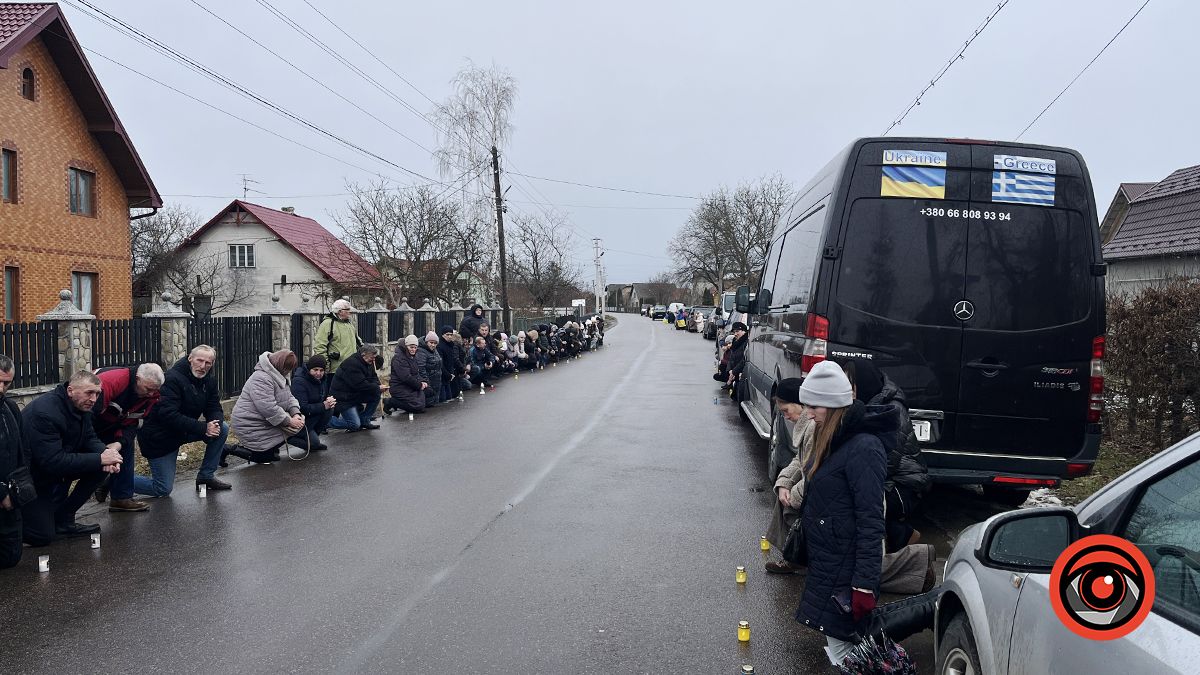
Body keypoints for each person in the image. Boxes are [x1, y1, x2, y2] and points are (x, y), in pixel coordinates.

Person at [791, 360, 892, 665]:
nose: (809, 413)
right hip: (831, 563)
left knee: (848, 653)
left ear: (834, 407)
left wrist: (863, 584)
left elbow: (871, 520)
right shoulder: (834, 440)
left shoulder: (864, 448)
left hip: (846, 571)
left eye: (816, 407)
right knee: (843, 649)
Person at [839, 358, 932, 553]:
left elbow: (886, 461)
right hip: (887, 477)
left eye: (851, 385)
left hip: (905, 485)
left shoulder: (892, 410)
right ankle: (897, 536)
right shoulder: (866, 403)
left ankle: (900, 536)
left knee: (858, 502)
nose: (849, 392)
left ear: (863, 383)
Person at [21, 371, 123, 545]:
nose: (93, 399)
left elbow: (90, 438)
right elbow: (52, 462)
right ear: (70, 390)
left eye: (97, 394)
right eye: (89, 393)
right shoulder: (45, 413)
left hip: (54, 473)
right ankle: (15, 521)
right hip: (32, 479)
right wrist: (100, 459)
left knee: (100, 468)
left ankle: (64, 519)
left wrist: (108, 455)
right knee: (42, 536)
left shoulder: (81, 407)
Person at [136, 345, 232, 495]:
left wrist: (214, 423)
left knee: (223, 427)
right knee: (162, 489)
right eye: (199, 360)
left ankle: (206, 477)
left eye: (208, 363)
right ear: (190, 359)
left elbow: (213, 407)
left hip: (184, 431)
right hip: (160, 436)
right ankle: (115, 480)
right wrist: (203, 428)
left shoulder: (209, 381)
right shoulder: (171, 379)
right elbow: (168, 415)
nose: (202, 366)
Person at [92, 362, 164, 512]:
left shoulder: (151, 394)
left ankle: (121, 498)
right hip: (90, 422)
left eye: (154, 390)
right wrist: (101, 448)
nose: (151, 394)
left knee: (126, 445)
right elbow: (88, 417)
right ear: (137, 378)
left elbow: (134, 423)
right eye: (148, 389)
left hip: (115, 423)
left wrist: (118, 443)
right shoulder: (111, 381)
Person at [763, 378, 813, 575]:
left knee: (788, 505)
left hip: (820, 491)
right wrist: (784, 482)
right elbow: (800, 461)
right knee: (781, 493)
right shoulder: (806, 423)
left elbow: (812, 473)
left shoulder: (812, 426)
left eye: (786, 411)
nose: (785, 417)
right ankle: (792, 555)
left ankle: (796, 557)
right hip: (812, 484)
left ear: (800, 403)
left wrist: (793, 495)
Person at [227, 350, 305, 463]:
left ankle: (270, 450)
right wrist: (289, 421)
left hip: (264, 421)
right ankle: (228, 449)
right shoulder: (261, 378)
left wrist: (296, 413)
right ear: (279, 364)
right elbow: (268, 407)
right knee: (262, 459)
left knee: (295, 427)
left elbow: (289, 397)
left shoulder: (279, 374)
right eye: (287, 368)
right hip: (250, 423)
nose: (288, 371)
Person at [0, 355, 28, 567]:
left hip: (11, 496)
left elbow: (22, 452)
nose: (1, 388)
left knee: (11, 558)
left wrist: (20, 489)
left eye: (6, 383)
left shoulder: (10, 408)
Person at [328, 344, 385, 430]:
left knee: (376, 393)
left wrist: (378, 386)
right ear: (363, 355)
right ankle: (326, 420)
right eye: (372, 357)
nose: (373, 360)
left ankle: (365, 420)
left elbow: (373, 377)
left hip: (355, 395)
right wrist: (377, 387)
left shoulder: (368, 362)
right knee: (354, 424)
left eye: (374, 357)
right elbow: (360, 385)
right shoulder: (352, 364)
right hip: (343, 398)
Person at [290, 355, 333, 452]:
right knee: (314, 445)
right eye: (315, 370)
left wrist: (329, 400)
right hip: (301, 419)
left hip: (313, 416)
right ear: (309, 369)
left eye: (321, 370)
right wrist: (323, 405)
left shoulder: (322, 379)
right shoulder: (299, 381)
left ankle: (313, 437)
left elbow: (321, 398)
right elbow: (302, 407)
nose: (318, 373)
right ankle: (289, 438)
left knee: (330, 408)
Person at [314, 299, 361, 378]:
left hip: (352, 368)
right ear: (340, 311)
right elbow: (320, 346)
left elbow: (358, 343)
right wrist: (326, 365)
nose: (350, 312)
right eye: (347, 310)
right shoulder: (328, 324)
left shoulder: (349, 324)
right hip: (335, 370)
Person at [383, 335, 426, 415]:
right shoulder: (399, 358)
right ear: (406, 346)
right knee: (418, 407)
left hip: (409, 386)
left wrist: (423, 382)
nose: (413, 349)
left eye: (415, 347)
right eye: (411, 347)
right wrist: (419, 385)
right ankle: (391, 402)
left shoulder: (411, 357)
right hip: (399, 387)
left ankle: (400, 404)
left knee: (425, 398)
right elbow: (406, 377)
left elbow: (416, 373)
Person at [437, 326, 469, 400]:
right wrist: (448, 374)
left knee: (452, 396)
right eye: (447, 334)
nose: (449, 336)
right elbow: (441, 363)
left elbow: (453, 360)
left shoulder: (451, 345)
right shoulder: (440, 346)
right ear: (442, 334)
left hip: (452, 374)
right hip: (444, 375)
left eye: (451, 335)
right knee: (444, 398)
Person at [415, 331, 444, 407]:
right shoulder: (421, 351)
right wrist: (427, 383)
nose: (433, 345)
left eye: (435, 343)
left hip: (437, 381)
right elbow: (421, 369)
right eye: (431, 342)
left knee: (435, 405)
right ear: (427, 341)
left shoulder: (434, 350)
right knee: (429, 405)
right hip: (429, 382)